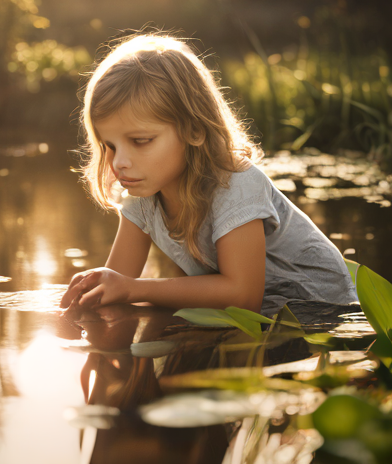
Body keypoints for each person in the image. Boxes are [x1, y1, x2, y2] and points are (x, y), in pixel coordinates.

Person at [60, 33, 357, 315]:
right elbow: (119, 283)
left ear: (194, 130)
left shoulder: (237, 183)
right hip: (264, 321)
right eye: (109, 145)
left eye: (140, 141)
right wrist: (96, 295)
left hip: (327, 317)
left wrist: (133, 290)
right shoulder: (143, 194)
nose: (119, 162)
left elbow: (242, 296)